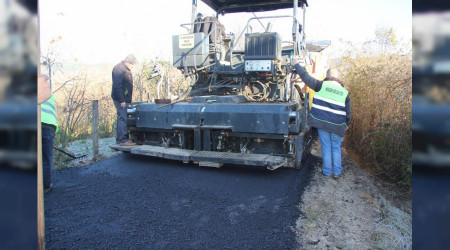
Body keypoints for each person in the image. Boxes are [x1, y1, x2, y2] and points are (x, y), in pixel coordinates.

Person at [293, 59, 351, 179]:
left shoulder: (320, 86)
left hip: (323, 124)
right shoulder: (344, 93)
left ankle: (326, 172)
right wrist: (347, 123)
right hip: (338, 125)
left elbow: (305, 77)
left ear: (327, 76)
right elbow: (348, 112)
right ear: (338, 78)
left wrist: (295, 64)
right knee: (335, 148)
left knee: (326, 147)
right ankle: (337, 173)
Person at [111, 54, 137, 146]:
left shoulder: (124, 68)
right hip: (120, 99)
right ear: (127, 62)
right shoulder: (119, 69)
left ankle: (120, 139)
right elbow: (117, 86)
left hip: (125, 98)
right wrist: (122, 100)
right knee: (123, 118)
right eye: (132, 64)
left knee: (122, 117)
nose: (132, 66)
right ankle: (122, 140)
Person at [40, 74, 58, 192]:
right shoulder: (50, 95)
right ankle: (46, 185)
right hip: (50, 127)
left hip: (39, 124)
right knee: (46, 157)